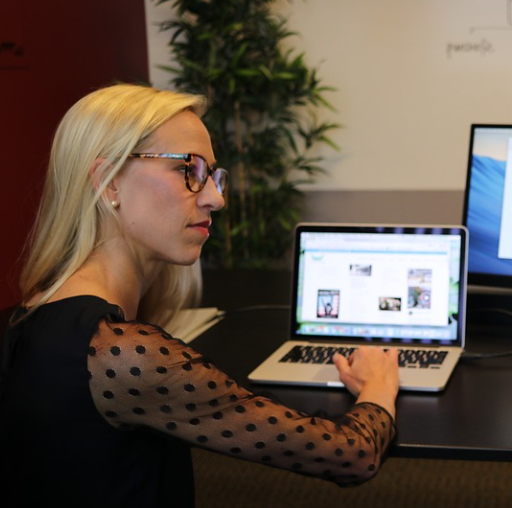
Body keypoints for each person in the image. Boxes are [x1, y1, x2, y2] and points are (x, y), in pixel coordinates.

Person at [0, 84, 400, 506]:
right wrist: (378, 387)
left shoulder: (30, 314)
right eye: (187, 169)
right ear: (109, 182)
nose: (216, 198)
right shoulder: (122, 354)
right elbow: (353, 455)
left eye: (212, 175)